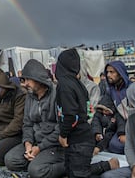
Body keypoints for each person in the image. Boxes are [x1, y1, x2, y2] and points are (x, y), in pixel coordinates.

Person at [4, 59, 65, 178]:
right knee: (10, 160)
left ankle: (68, 164)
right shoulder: (30, 96)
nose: (25, 84)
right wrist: (28, 144)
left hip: (54, 145)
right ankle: (38, 161)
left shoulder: (57, 94)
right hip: (35, 142)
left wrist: (40, 147)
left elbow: (60, 128)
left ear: (38, 78)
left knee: (36, 171)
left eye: (28, 79)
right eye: (23, 80)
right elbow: (27, 123)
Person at [55, 48, 95, 178]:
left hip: (78, 141)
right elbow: (89, 111)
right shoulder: (78, 84)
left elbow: (70, 115)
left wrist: (63, 134)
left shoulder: (64, 85)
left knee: (78, 174)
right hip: (83, 138)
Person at [102, 60, 132, 154]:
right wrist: (122, 132)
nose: (108, 75)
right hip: (122, 125)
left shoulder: (132, 89)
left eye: (112, 72)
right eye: (107, 72)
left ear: (120, 73)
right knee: (115, 146)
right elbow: (118, 113)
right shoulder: (111, 91)